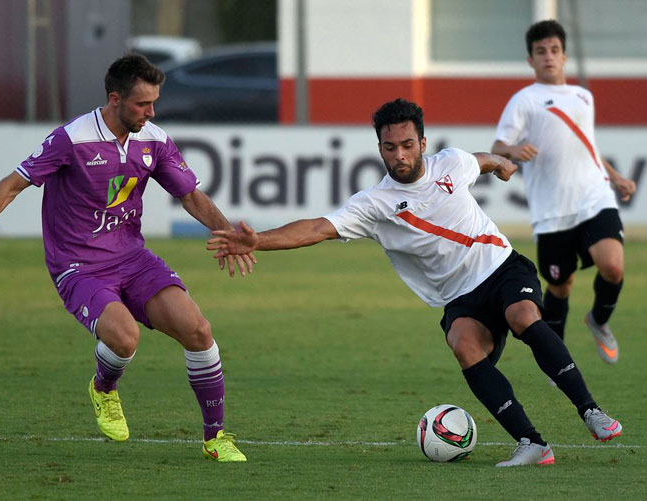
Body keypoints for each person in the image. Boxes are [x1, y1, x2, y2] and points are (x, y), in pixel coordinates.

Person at [208, 98, 622, 467]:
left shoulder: (452, 163)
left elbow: (481, 159)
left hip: (501, 266)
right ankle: (532, 443)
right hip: (459, 296)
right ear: (380, 150)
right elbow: (317, 227)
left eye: (408, 145)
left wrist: (502, 163)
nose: (400, 155)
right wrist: (258, 240)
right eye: (391, 148)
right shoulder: (374, 204)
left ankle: (590, 411)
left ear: (423, 142)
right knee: (463, 344)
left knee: (523, 315)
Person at [0, 54, 253, 462]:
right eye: (142, 104)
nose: (150, 112)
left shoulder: (153, 138)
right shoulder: (72, 139)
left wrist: (227, 232)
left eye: (154, 103)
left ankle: (216, 437)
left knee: (199, 330)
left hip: (132, 258)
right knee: (124, 337)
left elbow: (189, 194)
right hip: (78, 265)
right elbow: (11, 186)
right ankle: (104, 387)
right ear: (115, 99)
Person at [491, 20, 636, 364]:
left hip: (593, 197)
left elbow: (589, 147)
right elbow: (498, 144)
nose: (548, 57)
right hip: (552, 212)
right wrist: (514, 150)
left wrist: (615, 178)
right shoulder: (524, 100)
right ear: (530, 60)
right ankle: (556, 358)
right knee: (560, 286)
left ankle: (598, 321)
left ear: (564, 55)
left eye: (554, 50)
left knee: (613, 266)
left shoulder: (583, 96)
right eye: (541, 52)